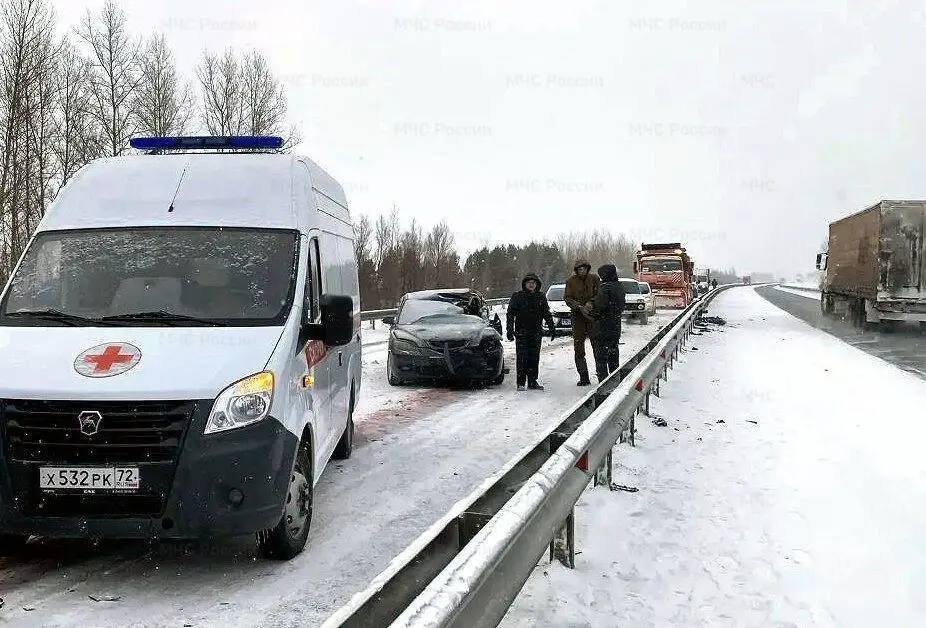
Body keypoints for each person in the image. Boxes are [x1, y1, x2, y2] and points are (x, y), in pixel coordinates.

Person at [506, 273, 556, 391]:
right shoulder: (517, 296)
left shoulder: (541, 297)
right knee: (522, 358)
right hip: (521, 332)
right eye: (529, 283)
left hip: (536, 332)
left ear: (537, 284)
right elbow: (510, 314)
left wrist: (551, 328)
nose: (531, 285)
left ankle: (533, 381)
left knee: (534, 357)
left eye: (533, 283)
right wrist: (509, 330)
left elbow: (546, 313)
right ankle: (521, 382)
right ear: (524, 284)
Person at [564, 259, 600, 386]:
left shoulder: (594, 279)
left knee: (597, 347)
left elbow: (599, 294)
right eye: (579, 269)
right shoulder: (571, 281)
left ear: (587, 268)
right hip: (577, 317)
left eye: (584, 268)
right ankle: (584, 377)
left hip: (593, 317)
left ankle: (601, 375)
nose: (582, 271)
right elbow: (567, 298)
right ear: (576, 270)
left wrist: (591, 303)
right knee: (579, 349)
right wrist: (578, 306)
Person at [590, 264, 625, 381]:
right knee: (613, 355)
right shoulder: (619, 287)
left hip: (601, 328)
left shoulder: (605, 288)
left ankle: (604, 383)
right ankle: (615, 379)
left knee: (601, 358)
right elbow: (620, 306)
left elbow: (599, 308)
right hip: (615, 327)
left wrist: (591, 313)